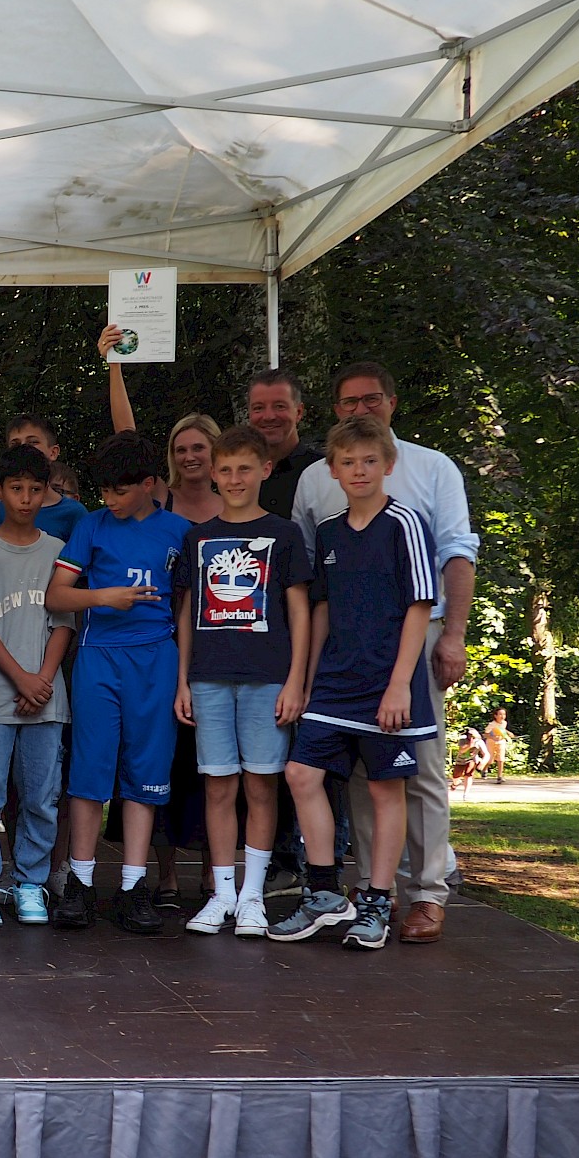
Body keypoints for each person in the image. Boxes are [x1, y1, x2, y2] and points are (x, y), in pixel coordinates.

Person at [292, 362, 477, 944]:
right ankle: (372, 891)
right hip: (339, 661)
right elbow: (315, 589)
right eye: (348, 402)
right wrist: (306, 675)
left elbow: (448, 564)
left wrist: (450, 640)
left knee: (415, 774)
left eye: (371, 398)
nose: (360, 409)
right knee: (348, 778)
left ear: (391, 404)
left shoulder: (426, 478)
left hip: (405, 651)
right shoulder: (322, 498)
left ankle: (426, 892)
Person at [272, 415, 439, 950]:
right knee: (301, 773)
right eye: (348, 462)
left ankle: (376, 904)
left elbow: (420, 607)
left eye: (370, 460)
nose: (360, 470)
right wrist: (304, 681)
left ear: (388, 465)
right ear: (333, 470)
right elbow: (320, 610)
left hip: (387, 684)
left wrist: (399, 685)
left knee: (385, 790)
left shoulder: (405, 524)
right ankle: (324, 893)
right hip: (333, 682)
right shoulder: (327, 532)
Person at [44, 431, 189, 934]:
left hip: (156, 660)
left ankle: (133, 885)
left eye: (120, 491)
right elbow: (56, 596)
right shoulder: (91, 525)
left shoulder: (181, 532)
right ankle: (80, 884)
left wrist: (183, 674)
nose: (110, 499)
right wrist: (105, 597)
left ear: (149, 484)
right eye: (104, 490)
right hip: (99, 658)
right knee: (89, 769)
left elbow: (187, 608)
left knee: (146, 773)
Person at [171, 426, 312, 936]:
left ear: (264, 470)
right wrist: (183, 680)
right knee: (217, 787)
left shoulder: (284, 534)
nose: (234, 479)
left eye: (244, 469)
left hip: (267, 678)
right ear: (213, 473)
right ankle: (222, 894)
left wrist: (295, 681)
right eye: (226, 469)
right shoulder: (198, 537)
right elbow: (187, 614)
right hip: (208, 678)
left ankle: (253, 897)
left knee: (261, 786)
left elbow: (300, 612)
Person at [0, 444, 75, 928]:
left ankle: (31, 883)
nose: (26, 498)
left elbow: (64, 623)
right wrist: (21, 679)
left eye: (36, 489)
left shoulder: (58, 550)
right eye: (16, 488)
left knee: (40, 796)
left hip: (46, 699)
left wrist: (42, 681)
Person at [100, 325, 224, 524]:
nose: (189, 457)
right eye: (180, 450)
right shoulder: (160, 496)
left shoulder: (234, 504)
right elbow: (127, 440)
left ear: (217, 451)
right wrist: (115, 366)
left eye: (198, 448)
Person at [0, 415, 88, 543]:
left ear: (53, 452)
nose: (24, 449)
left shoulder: (73, 513)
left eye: (33, 442)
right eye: (15, 444)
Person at [244, 369, 321, 517]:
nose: (269, 416)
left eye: (279, 406)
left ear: (299, 412)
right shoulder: (237, 475)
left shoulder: (323, 471)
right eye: (258, 408)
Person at [484, 708, 514, 784]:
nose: (502, 716)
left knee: (501, 759)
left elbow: (502, 730)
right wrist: (493, 737)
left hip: (501, 742)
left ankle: (499, 776)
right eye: (500, 714)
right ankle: (484, 769)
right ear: (495, 716)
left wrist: (509, 733)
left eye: (504, 714)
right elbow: (485, 734)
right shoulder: (491, 724)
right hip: (491, 743)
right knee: (490, 759)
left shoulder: (504, 723)